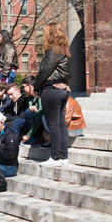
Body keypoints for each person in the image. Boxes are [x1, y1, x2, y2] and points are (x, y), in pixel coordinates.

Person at [34, 22, 71, 167]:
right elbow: (68, 72)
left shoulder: (53, 51)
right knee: (61, 125)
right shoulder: (65, 51)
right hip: (61, 90)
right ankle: (63, 157)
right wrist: (66, 84)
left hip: (51, 89)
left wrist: (36, 87)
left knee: (53, 125)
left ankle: (55, 157)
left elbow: (44, 71)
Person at [20, 75, 44, 145]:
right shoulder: (29, 98)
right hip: (37, 122)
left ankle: (36, 138)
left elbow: (40, 115)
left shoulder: (40, 95)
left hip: (45, 122)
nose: (23, 89)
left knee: (28, 112)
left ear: (30, 86)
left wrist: (29, 134)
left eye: (24, 87)